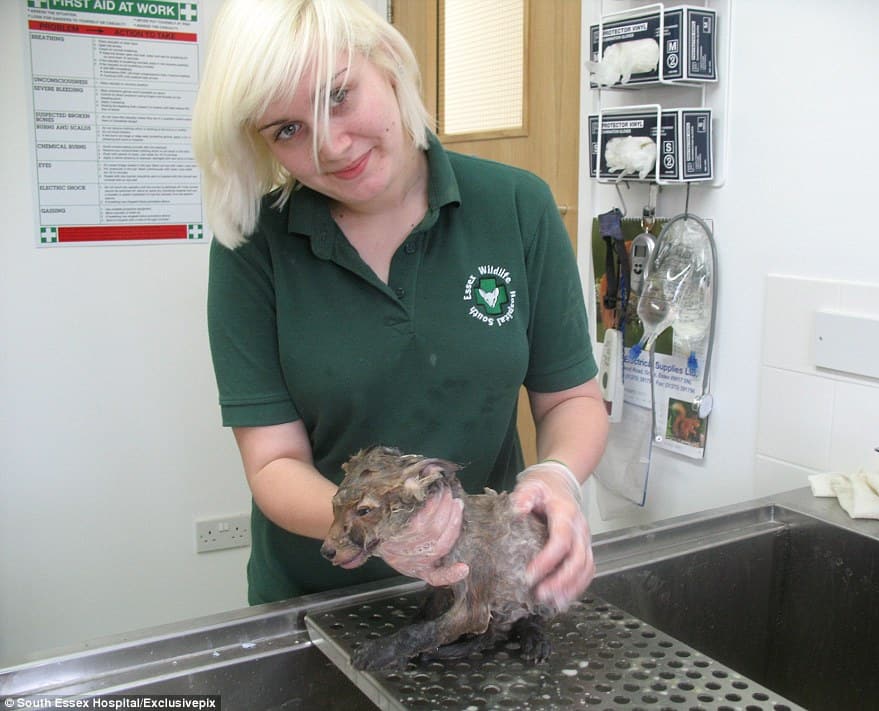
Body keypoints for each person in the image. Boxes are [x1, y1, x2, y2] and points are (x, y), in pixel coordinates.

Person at [192, 0, 609, 611]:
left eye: (338, 96)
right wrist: (380, 530)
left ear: (386, 62)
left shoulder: (516, 206)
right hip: (317, 600)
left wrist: (555, 476)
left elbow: (571, 398)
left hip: (482, 585)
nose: (330, 146)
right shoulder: (254, 248)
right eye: (287, 130)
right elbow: (274, 462)